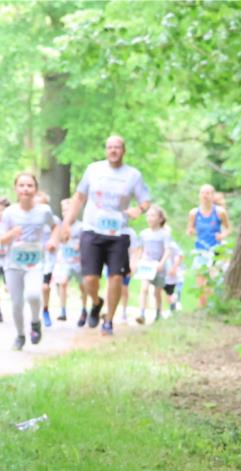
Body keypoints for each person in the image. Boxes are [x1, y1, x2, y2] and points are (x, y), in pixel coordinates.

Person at [47, 135, 151, 336]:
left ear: (123, 151)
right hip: (92, 230)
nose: (113, 150)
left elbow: (145, 201)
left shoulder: (133, 175)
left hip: (118, 233)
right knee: (89, 279)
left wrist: (139, 209)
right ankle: (96, 302)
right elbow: (79, 197)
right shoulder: (94, 170)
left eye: (117, 147)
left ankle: (108, 321)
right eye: (110, 147)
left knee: (116, 277)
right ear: (106, 150)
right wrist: (66, 224)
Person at [0, 173, 52, 350]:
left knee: (33, 295)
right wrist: (12, 234)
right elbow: (1, 239)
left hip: (35, 263)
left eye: (29, 185)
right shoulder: (9, 212)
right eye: (21, 185)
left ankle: (35, 322)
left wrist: (54, 240)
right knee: (17, 303)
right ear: (16, 189)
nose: (26, 189)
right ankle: (20, 335)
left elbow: (56, 227)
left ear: (35, 189)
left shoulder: (44, 211)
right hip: (13, 264)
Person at [187, 184, 232, 308]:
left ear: (212, 196)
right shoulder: (194, 213)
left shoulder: (220, 212)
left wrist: (222, 235)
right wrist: (191, 232)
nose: (205, 196)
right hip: (200, 250)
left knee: (211, 280)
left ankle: (211, 307)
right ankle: (202, 307)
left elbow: (228, 228)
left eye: (208, 193)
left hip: (215, 250)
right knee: (200, 281)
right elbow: (190, 229)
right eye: (202, 193)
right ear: (199, 195)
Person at [135, 205, 172, 324]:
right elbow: (140, 249)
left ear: (160, 219)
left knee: (157, 292)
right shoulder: (144, 234)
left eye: (153, 216)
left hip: (158, 267)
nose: (150, 218)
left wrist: (162, 263)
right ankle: (141, 313)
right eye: (148, 216)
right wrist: (137, 261)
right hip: (146, 265)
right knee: (144, 288)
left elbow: (167, 250)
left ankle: (158, 313)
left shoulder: (165, 234)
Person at [55, 197, 87, 325]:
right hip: (65, 261)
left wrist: (81, 245)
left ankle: (84, 309)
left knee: (83, 286)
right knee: (63, 283)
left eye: (68, 210)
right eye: (64, 210)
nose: (66, 213)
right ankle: (62, 311)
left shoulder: (81, 226)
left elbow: (86, 242)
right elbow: (57, 240)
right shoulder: (60, 226)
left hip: (79, 261)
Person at [34, 191, 59, 327]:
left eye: (42, 204)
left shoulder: (54, 221)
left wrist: (53, 242)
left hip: (48, 259)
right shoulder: (29, 218)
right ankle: (34, 314)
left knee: (44, 287)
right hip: (32, 259)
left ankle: (45, 310)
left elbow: (60, 237)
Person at [163, 237, 184, 312]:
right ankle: (173, 308)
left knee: (173, 290)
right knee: (168, 292)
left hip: (174, 272)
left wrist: (174, 268)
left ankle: (175, 306)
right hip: (165, 273)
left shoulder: (172, 245)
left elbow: (180, 256)